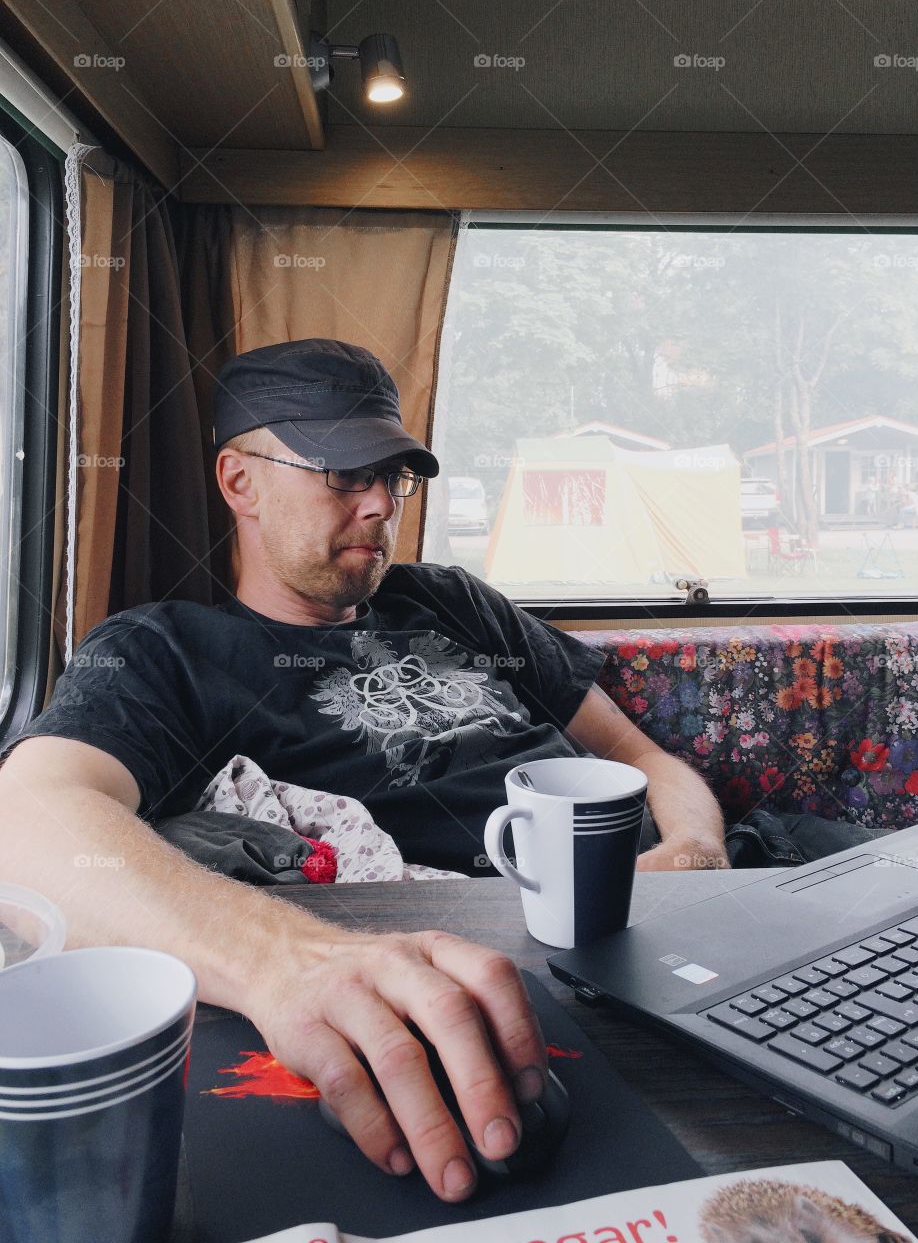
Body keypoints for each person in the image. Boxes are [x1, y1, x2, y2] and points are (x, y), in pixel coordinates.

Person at [0, 339, 727, 1203]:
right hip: (497, 975)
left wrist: (698, 848)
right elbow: (28, 819)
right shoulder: (168, 652)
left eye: (392, 475)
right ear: (241, 483)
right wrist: (287, 963)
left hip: (689, 915)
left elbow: (636, 755)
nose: (382, 504)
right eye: (343, 475)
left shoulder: (451, 601)